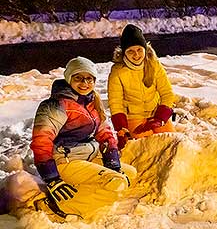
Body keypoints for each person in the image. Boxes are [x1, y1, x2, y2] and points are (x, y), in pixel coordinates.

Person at [31, 56, 137, 220]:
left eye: (89, 79)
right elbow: (41, 141)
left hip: (86, 156)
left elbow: (105, 133)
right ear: (69, 79)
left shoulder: (91, 102)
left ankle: (76, 192)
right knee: (118, 182)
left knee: (129, 174)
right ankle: (55, 206)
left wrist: (112, 162)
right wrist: (52, 178)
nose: (84, 83)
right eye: (78, 78)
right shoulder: (56, 105)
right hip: (65, 161)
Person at [108, 24, 176, 150]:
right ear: (124, 53)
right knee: (147, 147)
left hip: (156, 115)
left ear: (145, 48)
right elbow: (115, 103)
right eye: (131, 51)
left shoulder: (154, 65)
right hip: (134, 117)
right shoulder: (117, 72)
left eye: (139, 49)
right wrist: (121, 129)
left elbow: (167, 93)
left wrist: (160, 118)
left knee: (170, 142)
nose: (136, 55)